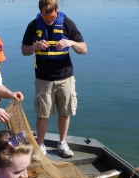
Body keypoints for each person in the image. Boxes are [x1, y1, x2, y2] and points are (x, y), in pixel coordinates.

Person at [21, 0, 87, 158]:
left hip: (66, 77)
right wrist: (35, 47)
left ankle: (62, 143)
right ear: (40, 13)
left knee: (65, 112)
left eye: (51, 16)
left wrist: (70, 42)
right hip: (43, 78)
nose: (49, 19)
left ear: (56, 11)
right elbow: (24, 50)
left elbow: (83, 49)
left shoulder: (67, 23)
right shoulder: (33, 25)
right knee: (42, 113)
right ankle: (41, 145)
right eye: (45, 16)